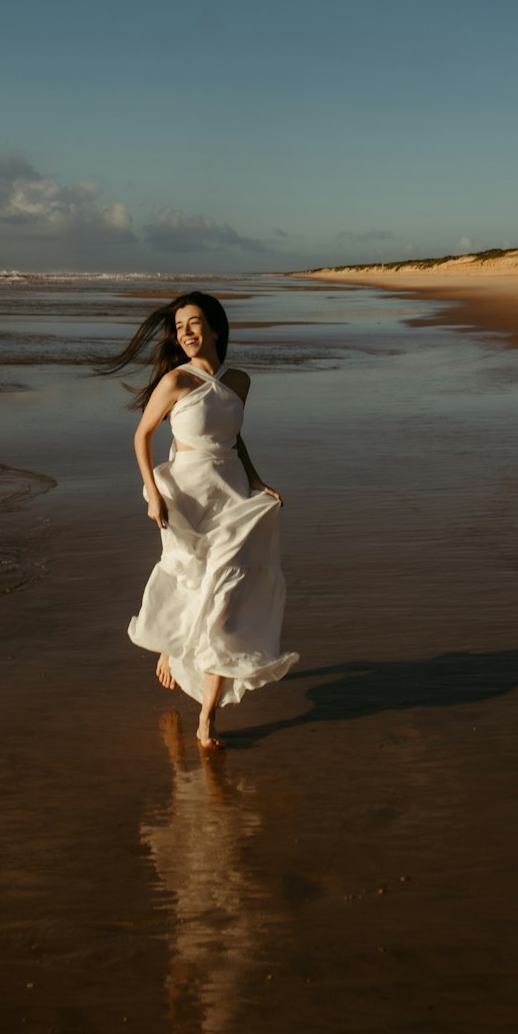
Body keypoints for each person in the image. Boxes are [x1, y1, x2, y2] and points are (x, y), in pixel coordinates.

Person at [98, 291, 298, 748]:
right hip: (184, 495)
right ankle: (173, 644)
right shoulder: (175, 382)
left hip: (231, 493)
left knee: (226, 596)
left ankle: (207, 718)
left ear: (215, 328)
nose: (185, 334)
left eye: (194, 324)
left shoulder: (240, 381)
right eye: (179, 327)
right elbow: (142, 437)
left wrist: (258, 480)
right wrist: (151, 493)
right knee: (191, 579)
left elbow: (234, 438)